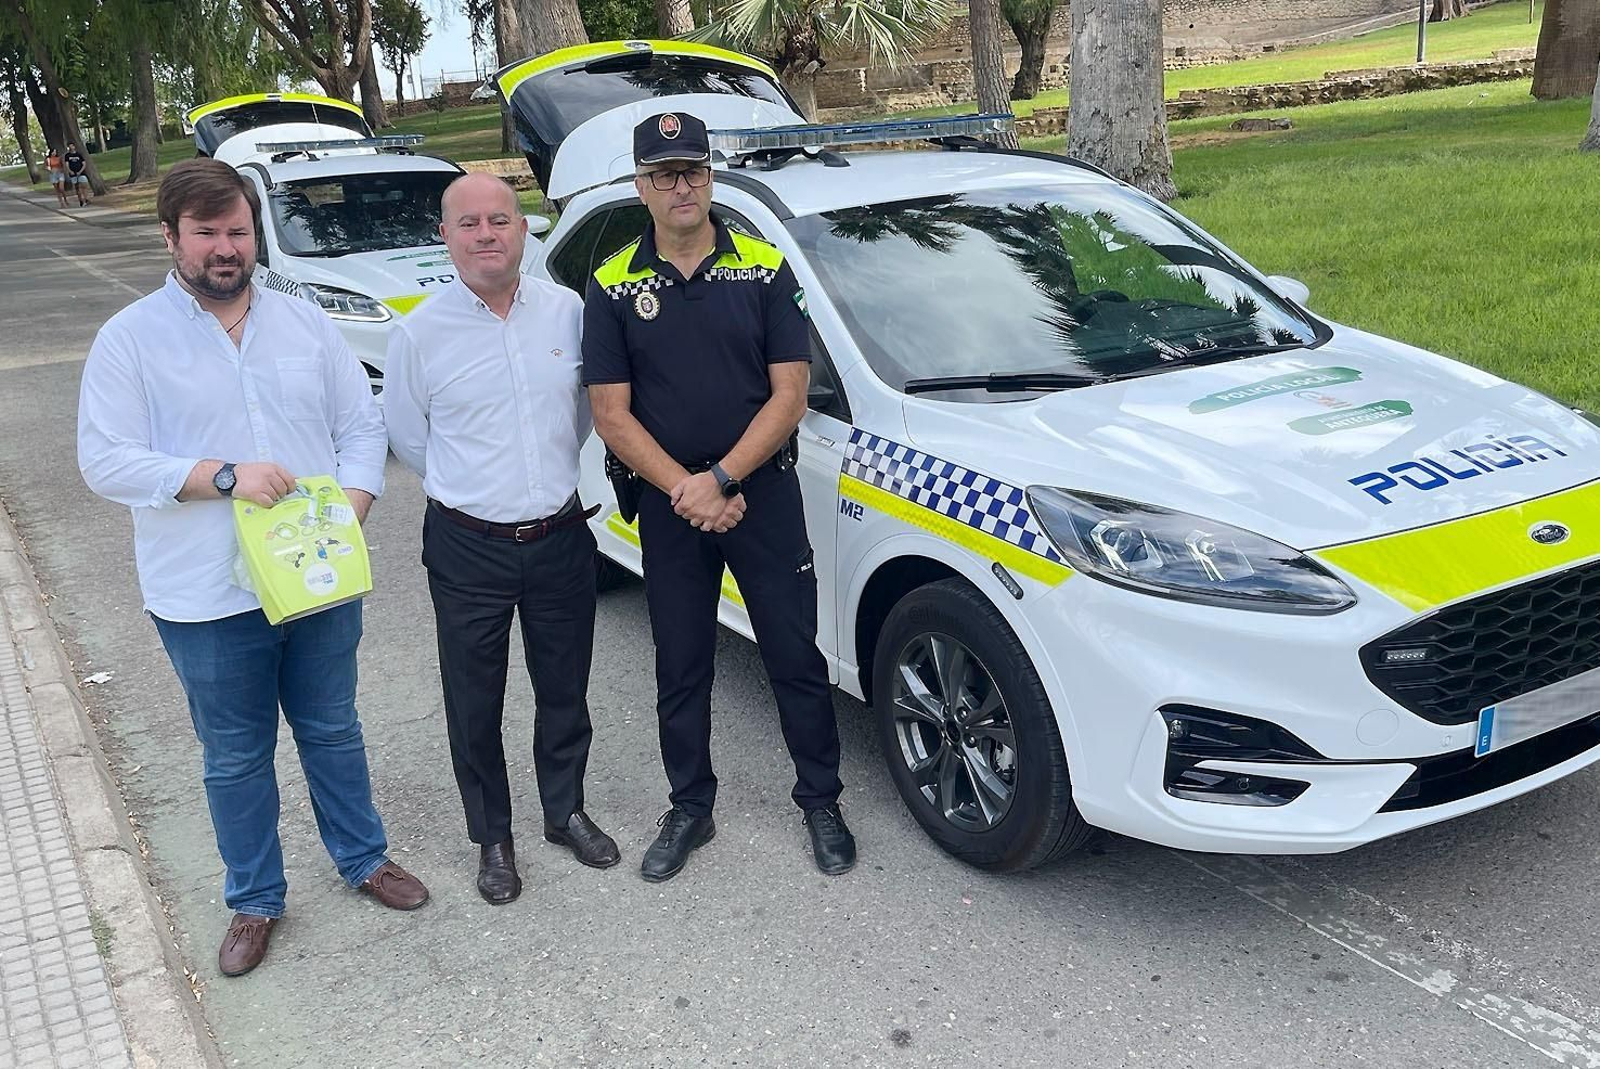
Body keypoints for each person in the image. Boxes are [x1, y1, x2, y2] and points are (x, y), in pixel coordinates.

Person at [77, 158, 428, 979]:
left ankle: (363, 856)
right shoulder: (130, 338)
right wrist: (220, 475)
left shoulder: (304, 324)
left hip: (315, 578)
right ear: (171, 237)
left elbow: (360, 425)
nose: (225, 247)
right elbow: (105, 460)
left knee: (332, 727)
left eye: (237, 230)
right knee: (234, 755)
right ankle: (256, 897)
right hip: (205, 593)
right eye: (206, 233)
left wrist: (352, 504)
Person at [583, 112, 857, 883]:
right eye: (665, 174)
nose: (683, 186)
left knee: (793, 655)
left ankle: (822, 800)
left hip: (759, 493)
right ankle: (690, 807)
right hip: (672, 505)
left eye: (694, 170)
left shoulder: (765, 268)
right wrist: (689, 489)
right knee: (681, 663)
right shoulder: (612, 284)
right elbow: (610, 413)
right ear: (640, 187)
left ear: (710, 177)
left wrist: (724, 480)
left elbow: (790, 393)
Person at [385, 173, 619, 905]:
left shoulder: (567, 312)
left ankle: (564, 810)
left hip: (559, 535)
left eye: (499, 220)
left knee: (565, 687)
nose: (485, 234)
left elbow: (581, 417)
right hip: (468, 546)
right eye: (468, 223)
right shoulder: (418, 332)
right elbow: (409, 437)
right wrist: (475, 491)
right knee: (473, 699)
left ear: (523, 229)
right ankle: (492, 836)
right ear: (446, 238)